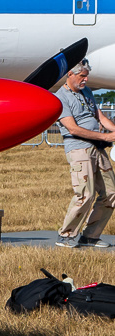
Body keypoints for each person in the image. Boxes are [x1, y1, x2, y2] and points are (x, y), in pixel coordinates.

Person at [54, 60, 115, 248]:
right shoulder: (61, 98)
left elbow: (100, 116)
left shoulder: (87, 92)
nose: (86, 80)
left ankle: (90, 236)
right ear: (70, 75)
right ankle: (66, 236)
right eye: (82, 76)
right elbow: (72, 129)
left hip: (97, 147)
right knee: (84, 194)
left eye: (86, 76)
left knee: (111, 193)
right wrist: (106, 138)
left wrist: (113, 132)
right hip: (79, 148)